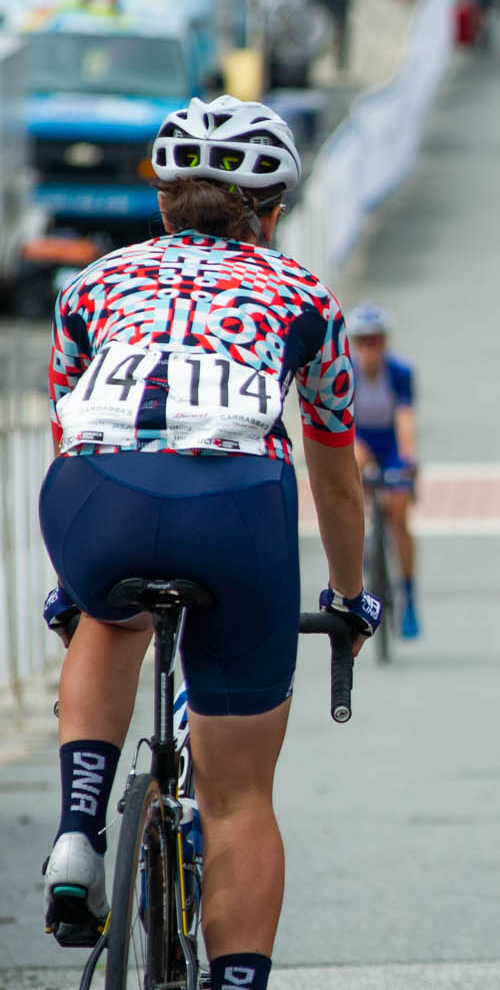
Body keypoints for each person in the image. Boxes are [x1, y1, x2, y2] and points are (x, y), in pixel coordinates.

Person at [39, 97, 379, 989]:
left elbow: (68, 425)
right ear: (271, 213)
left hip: (94, 493)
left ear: (162, 203)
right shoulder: (305, 296)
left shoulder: (94, 284)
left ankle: (79, 829)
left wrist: (77, 580)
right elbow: (338, 477)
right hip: (235, 502)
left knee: (105, 620)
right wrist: (349, 598)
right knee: (238, 800)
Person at [347, 303, 424, 641]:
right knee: (355, 469)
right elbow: (341, 426)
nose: (369, 348)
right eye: (362, 342)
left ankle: (409, 595)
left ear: (385, 342)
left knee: (399, 513)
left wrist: (408, 460)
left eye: (375, 341)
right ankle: (362, 540)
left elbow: (405, 420)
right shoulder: (346, 372)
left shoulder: (401, 372)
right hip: (360, 439)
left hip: (390, 442)